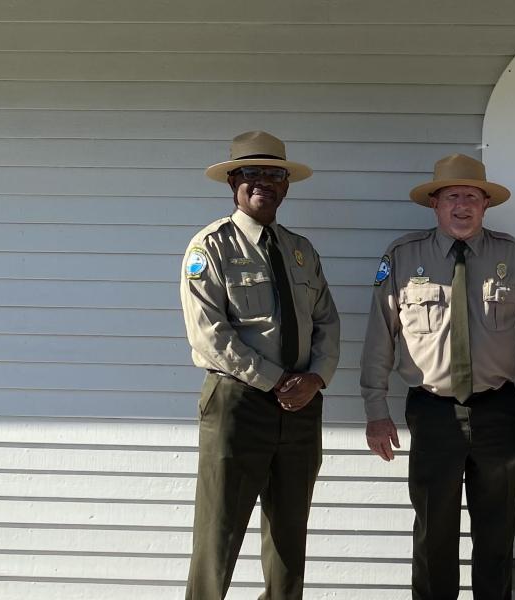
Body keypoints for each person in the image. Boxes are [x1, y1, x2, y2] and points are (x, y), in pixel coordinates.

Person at [360, 153, 515, 600]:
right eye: (452, 195)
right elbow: (381, 339)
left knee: (496, 539)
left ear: (485, 205)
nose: (462, 205)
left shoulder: (513, 255)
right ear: (435, 203)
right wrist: (377, 411)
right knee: (433, 538)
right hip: (433, 414)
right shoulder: (402, 257)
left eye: (472, 196)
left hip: (498, 413)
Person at [180, 130, 341, 599]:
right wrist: (275, 381)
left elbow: (327, 321)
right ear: (233, 180)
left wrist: (316, 378)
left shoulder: (300, 250)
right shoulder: (210, 247)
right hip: (238, 403)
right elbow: (210, 334)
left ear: (286, 185)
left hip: (300, 408)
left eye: (274, 174)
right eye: (252, 173)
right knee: (218, 536)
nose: (264, 183)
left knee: (289, 539)